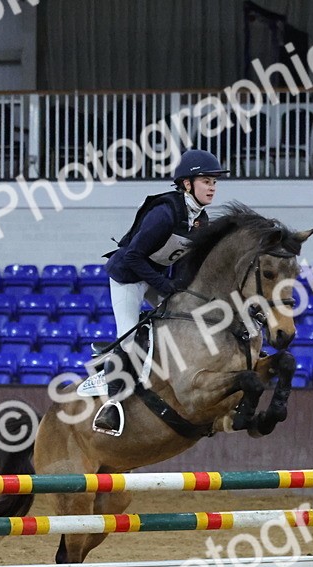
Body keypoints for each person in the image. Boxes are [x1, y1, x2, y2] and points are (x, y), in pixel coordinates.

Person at [92, 149, 229, 435]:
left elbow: (183, 261)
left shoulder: (201, 220)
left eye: (214, 181)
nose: (213, 186)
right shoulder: (164, 213)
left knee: (186, 314)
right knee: (129, 335)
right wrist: (166, 287)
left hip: (155, 275)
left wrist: (180, 292)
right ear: (187, 184)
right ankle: (111, 404)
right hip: (128, 276)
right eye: (206, 180)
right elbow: (132, 258)